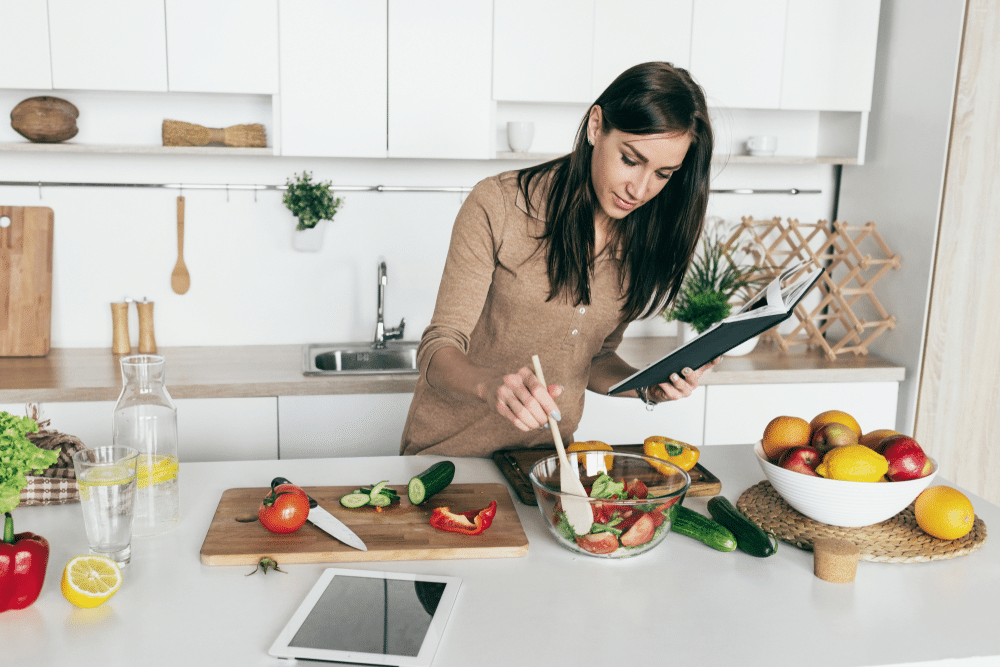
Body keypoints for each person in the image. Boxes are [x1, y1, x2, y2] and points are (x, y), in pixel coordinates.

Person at [400, 62, 717, 457]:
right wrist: (489, 385)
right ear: (596, 126)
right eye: (631, 160)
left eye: (663, 174)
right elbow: (437, 348)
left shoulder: (642, 239)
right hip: (450, 457)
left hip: (546, 464)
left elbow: (593, 357)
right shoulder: (499, 205)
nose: (639, 189)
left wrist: (646, 386)